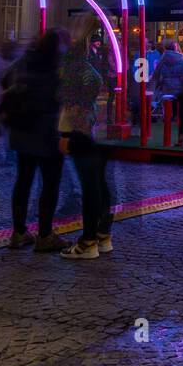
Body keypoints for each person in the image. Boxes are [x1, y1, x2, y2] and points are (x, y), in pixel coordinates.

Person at [0, 29, 68, 254]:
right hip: (48, 132)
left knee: (23, 180)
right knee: (50, 184)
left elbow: (4, 78)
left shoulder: (25, 60)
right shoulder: (58, 67)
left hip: (22, 129)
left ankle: (18, 232)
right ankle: (45, 235)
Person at [58, 19, 115, 260]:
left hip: (81, 133)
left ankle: (88, 241)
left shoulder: (73, 72)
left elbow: (73, 107)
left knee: (90, 187)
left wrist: (66, 134)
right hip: (98, 132)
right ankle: (103, 235)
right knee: (101, 185)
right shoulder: (93, 70)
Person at [150, 39, 183, 140]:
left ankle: (167, 132)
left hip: (167, 89)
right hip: (180, 89)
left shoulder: (162, 59)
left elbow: (156, 74)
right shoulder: (181, 58)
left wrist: (157, 86)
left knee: (167, 106)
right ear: (175, 47)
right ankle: (181, 133)